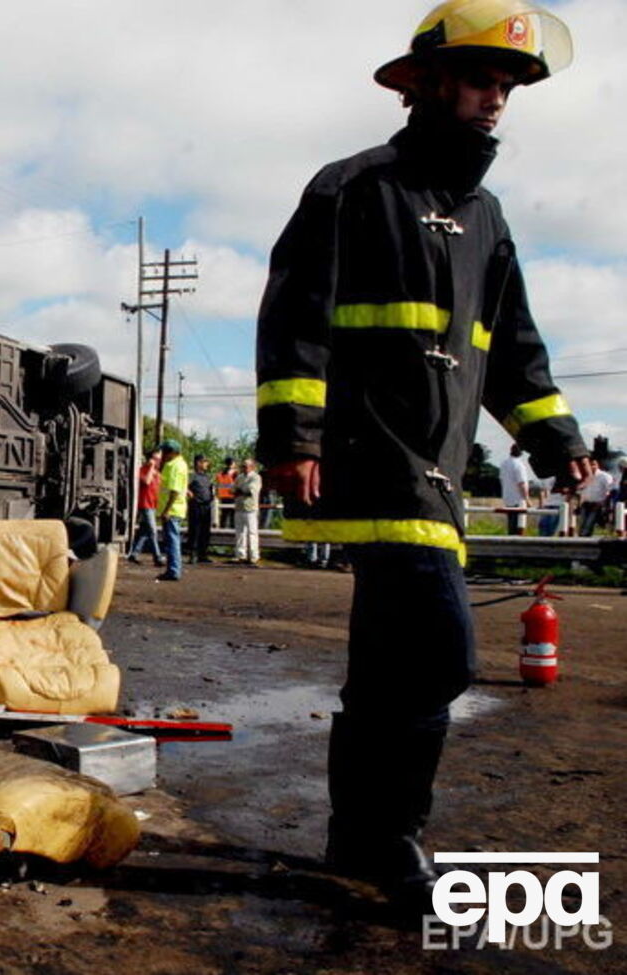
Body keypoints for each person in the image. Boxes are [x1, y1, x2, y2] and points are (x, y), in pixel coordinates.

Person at [255, 0, 592, 909]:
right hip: (374, 458)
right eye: (484, 80)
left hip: (438, 467)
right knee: (438, 652)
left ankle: (360, 841)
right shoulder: (352, 188)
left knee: (389, 664)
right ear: (428, 83)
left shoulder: (486, 217)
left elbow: (513, 349)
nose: (498, 102)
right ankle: (384, 837)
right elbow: (296, 320)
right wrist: (293, 436)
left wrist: (556, 440)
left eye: (509, 87)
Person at [155, 438, 188, 581]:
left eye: (165, 451)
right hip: (176, 508)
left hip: (172, 510)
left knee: (172, 541)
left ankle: (173, 570)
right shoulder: (180, 464)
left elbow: (174, 490)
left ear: (172, 452)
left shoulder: (174, 466)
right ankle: (173, 569)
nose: (163, 454)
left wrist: (166, 510)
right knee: (172, 540)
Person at [127, 449, 164, 566]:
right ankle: (157, 557)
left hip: (153, 505)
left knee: (144, 531)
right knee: (153, 531)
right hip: (145, 504)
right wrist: (151, 467)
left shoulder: (158, 474)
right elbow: (147, 481)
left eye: (159, 459)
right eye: (156, 459)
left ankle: (134, 553)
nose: (158, 461)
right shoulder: (142, 471)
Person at [186, 453, 215, 564]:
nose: (207, 464)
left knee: (205, 531)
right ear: (199, 463)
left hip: (206, 506)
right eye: (204, 462)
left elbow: (211, 488)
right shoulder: (192, 476)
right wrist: (188, 492)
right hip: (196, 506)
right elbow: (184, 485)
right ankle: (193, 554)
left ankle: (203, 554)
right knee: (195, 530)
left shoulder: (207, 477)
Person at [232, 458, 262, 565]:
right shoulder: (239, 477)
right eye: (243, 466)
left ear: (252, 467)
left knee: (252, 533)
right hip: (239, 507)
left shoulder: (256, 477)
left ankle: (254, 556)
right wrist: (240, 490)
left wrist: (241, 490)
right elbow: (233, 490)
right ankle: (241, 555)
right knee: (240, 533)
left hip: (251, 508)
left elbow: (250, 490)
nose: (243, 468)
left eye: (245, 466)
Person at [498, 443, 532, 534]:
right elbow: (522, 483)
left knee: (511, 525)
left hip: (507, 497)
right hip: (518, 499)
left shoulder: (504, 464)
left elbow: (501, 480)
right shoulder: (519, 465)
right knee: (520, 525)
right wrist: (527, 499)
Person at [576, 459, 613, 537]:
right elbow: (580, 492)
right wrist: (579, 505)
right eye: (590, 465)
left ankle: (585, 543)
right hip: (585, 504)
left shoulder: (604, 476)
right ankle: (583, 543)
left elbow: (609, 491)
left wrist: (604, 504)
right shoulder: (584, 477)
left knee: (588, 524)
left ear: (597, 465)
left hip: (597, 505)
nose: (592, 467)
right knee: (581, 525)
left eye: (594, 464)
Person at [214, 457, 237, 528]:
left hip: (224, 497)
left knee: (224, 515)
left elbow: (217, 486)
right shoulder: (236, 474)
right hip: (232, 497)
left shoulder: (220, 474)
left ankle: (222, 529)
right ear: (232, 464)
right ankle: (230, 530)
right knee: (231, 516)